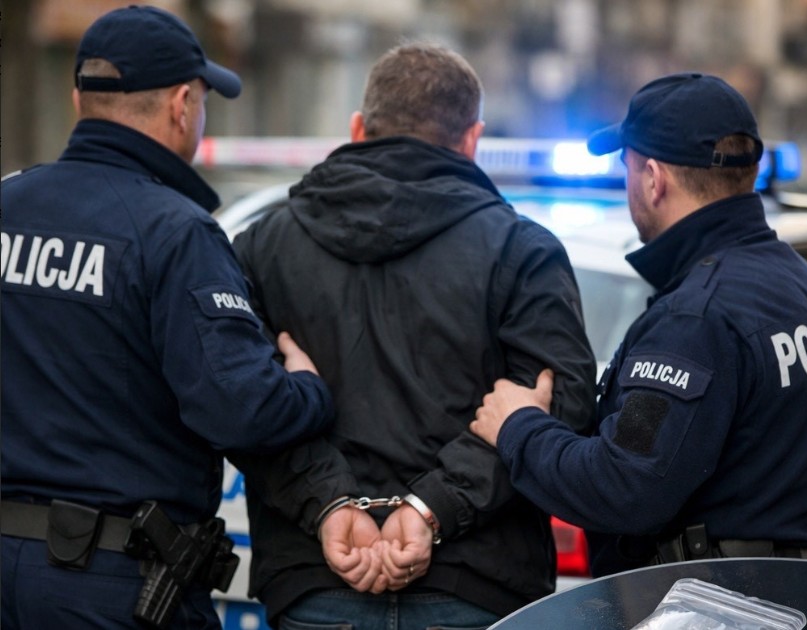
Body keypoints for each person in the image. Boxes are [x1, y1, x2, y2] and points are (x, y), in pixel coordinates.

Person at [230, 43, 597, 628]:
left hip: (316, 581)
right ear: (472, 140)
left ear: (358, 129)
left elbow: (237, 401)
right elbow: (563, 405)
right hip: (479, 587)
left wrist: (329, 503)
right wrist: (433, 507)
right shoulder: (521, 250)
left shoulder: (261, 247)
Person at [1, 6, 334, 630]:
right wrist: (307, 390)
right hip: (109, 585)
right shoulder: (175, 232)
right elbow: (241, 409)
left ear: (78, 100)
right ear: (183, 105)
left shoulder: (6, 203)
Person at [470, 72, 807, 577]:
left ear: (654, 179)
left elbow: (623, 486)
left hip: (722, 599)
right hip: (796, 592)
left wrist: (518, 426)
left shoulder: (694, 320)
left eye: (628, 167)